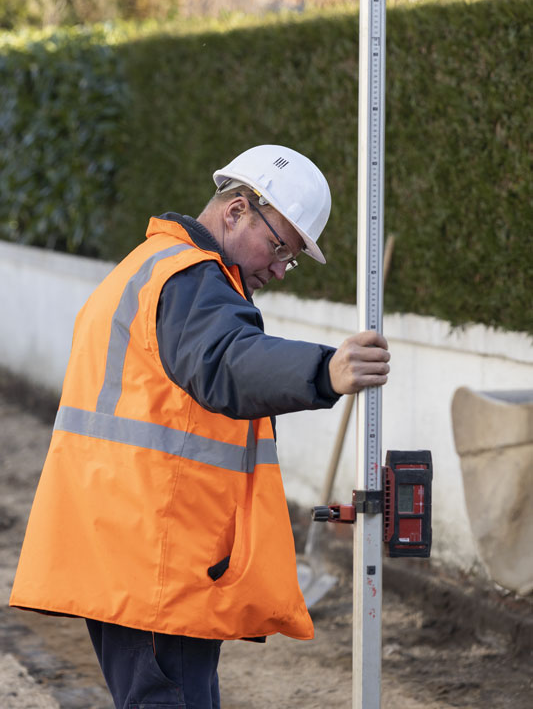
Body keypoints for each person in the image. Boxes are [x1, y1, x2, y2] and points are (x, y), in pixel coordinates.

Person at [10, 144, 390, 709]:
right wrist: (324, 370)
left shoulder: (149, 266)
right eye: (279, 246)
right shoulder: (190, 280)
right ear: (236, 210)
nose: (279, 269)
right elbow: (228, 361)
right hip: (156, 558)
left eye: (290, 258)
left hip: (134, 549)